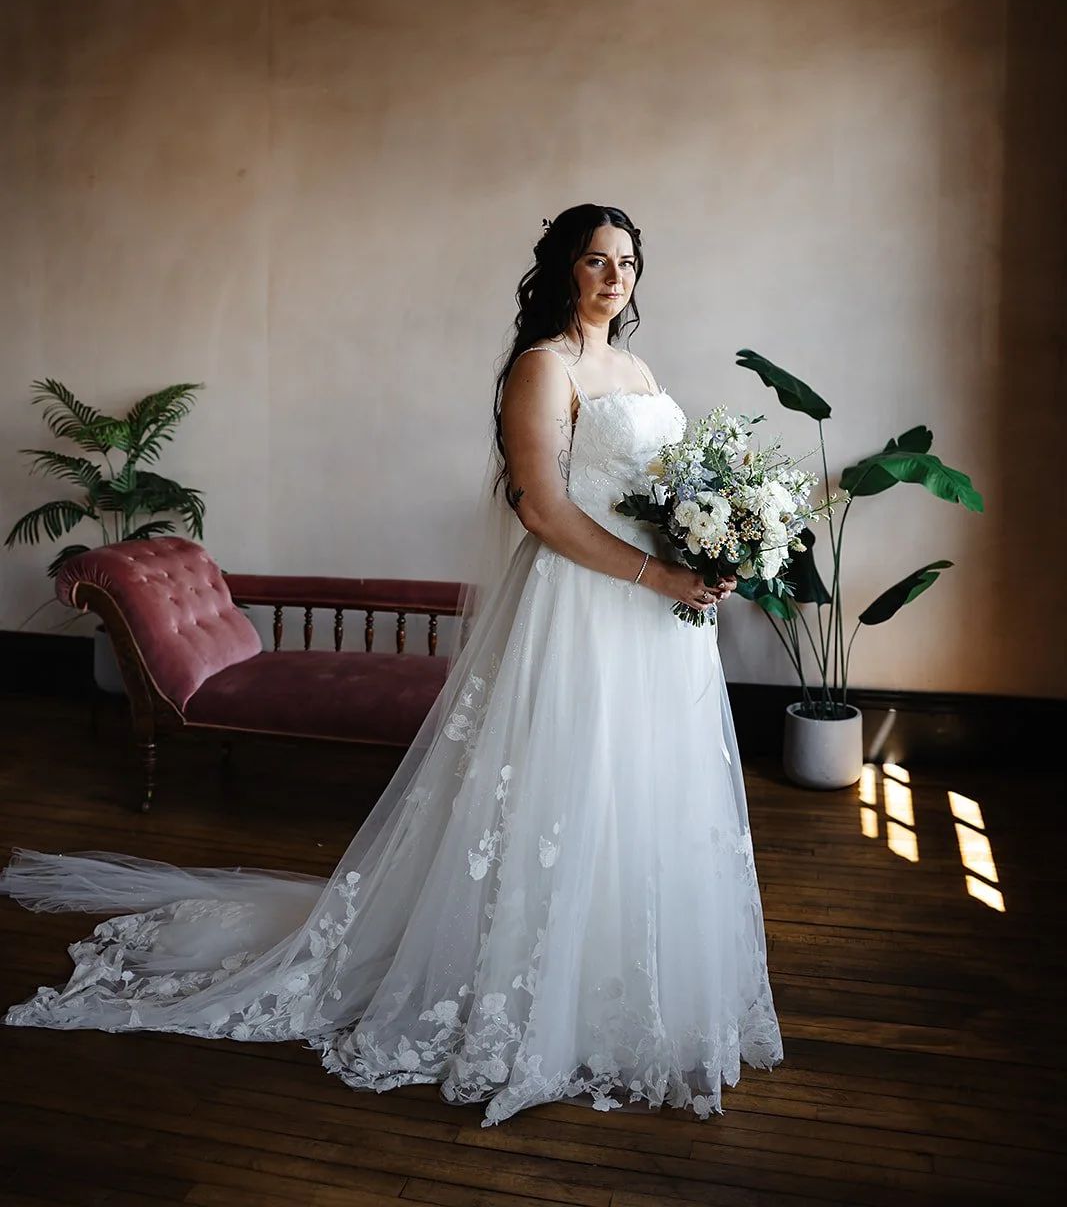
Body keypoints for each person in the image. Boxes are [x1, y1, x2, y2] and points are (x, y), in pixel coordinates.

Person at [0, 203, 782, 1126]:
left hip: (653, 617)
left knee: (638, 788)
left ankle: (621, 981)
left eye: (626, 262)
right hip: (585, 606)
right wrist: (659, 574)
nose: (614, 277)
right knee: (565, 785)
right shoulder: (544, 366)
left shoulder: (639, 369)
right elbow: (542, 510)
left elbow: (659, 493)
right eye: (594, 261)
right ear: (560, 273)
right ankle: (526, 989)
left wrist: (712, 553)